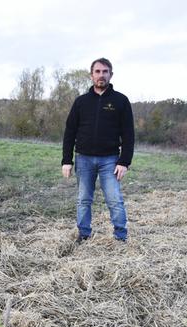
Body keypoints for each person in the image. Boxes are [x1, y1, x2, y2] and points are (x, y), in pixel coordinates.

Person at [61, 57, 134, 242]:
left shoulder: (121, 101)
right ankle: (84, 234)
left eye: (105, 72)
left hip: (110, 160)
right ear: (91, 75)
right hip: (83, 159)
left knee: (114, 200)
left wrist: (124, 161)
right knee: (83, 199)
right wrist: (67, 160)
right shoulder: (81, 102)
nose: (101, 75)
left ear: (111, 74)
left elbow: (128, 134)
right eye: (97, 71)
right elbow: (70, 132)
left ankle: (120, 236)